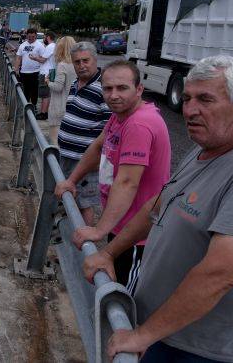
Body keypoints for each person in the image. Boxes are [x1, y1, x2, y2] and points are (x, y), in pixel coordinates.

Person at [83, 56, 233, 361]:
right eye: (189, 98)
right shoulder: (202, 150)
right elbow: (156, 206)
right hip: (161, 330)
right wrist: (108, 252)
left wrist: (144, 335)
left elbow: (221, 271)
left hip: (197, 349)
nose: (190, 109)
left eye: (206, 99)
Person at [56, 60, 171, 293]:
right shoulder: (121, 116)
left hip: (138, 236)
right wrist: (71, 180)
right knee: (112, 285)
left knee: (123, 297)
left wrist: (99, 230)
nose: (113, 95)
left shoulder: (139, 123)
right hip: (122, 227)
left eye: (122, 88)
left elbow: (128, 182)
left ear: (139, 90)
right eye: (107, 89)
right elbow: (99, 147)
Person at [56, 41, 111, 225]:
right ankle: (72, 240)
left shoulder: (104, 88)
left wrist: (97, 160)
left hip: (85, 161)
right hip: (67, 156)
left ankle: (84, 247)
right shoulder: (75, 83)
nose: (82, 65)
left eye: (85, 60)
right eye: (77, 62)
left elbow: (109, 129)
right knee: (69, 198)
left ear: (95, 60)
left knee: (84, 203)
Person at [44, 35, 76, 144]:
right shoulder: (77, 65)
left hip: (59, 106)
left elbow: (57, 87)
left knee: (55, 142)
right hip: (72, 106)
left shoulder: (62, 65)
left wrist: (48, 81)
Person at [14, 28, 45, 106]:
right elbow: (18, 57)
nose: (31, 38)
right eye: (29, 37)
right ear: (27, 35)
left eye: (33, 37)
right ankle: (26, 106)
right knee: (26, 91)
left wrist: (36, 58)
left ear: (36, 36)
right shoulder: (23, 45)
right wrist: (16, 69)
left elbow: (43, 59)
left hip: (35, 72)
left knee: (34, 91)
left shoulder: (40, 46)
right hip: (24, 72)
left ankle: (34, 106)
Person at [33, 30, 57, 120]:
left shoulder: (50, 46)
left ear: (48, 37)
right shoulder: (53, 46)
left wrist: (34, 58)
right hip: (49, 72)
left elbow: (43, 60)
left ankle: (43, 113)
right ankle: (44, 112)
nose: (43, 39)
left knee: (45, 94)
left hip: (45, 73)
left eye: (44, 37)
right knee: (46, 94)